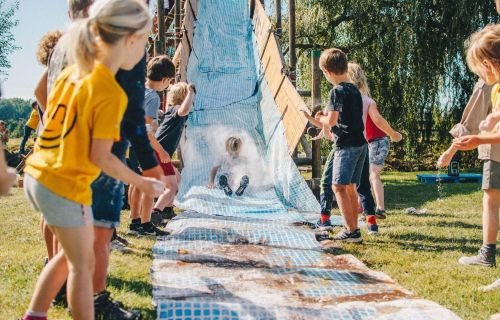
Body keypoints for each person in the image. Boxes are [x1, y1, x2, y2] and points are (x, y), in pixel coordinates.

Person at [21, 1, 164, 320]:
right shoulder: (111, 92)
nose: (145, 50)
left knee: (66, 258)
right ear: (130, 40)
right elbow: (102, 158)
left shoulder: (75, 72)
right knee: (82, 266)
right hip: (64, 182)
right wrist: (141, 180)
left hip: (40, 175)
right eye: (145, 41)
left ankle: (34, 314)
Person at [445, 24, 500, 268]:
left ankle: (487, 254)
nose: (479, 75)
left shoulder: (493, 85)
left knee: (491, 200)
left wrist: (479, 139)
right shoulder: (496, 88)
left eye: (480, 68)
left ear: (490, 64)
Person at [314, 48, 367, 242]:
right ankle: (352, 229)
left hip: (346, 146)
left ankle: (351, 231)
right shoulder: (354, 88)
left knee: (338, 186)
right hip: (360, 143)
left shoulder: (337, 91)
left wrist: (321, 119)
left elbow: (333, 120)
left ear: (327, 72)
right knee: (351, 187)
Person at [348, 62, 403, 221]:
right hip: (367, 143)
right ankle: (361, 206)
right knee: (363, 176)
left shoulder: (365, 101)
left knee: (373, 175)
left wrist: (393, 134)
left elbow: (378, 121)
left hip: (378, 141)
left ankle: (380, 207)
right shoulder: (354, 100)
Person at [127, 55, 175, 237]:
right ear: (164, 79)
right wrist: (160, 150)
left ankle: (135, 221)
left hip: (130, 143)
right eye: (169, 82)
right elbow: (146, 128)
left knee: (136, 183)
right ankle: (146, 223)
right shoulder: (154, 97)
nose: (167, 86)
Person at [153, 81, 196, 221]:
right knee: (172, 187)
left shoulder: (172, 112)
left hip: (159, 153)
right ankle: (156, 212)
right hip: (158, 153)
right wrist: (191, 92)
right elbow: (184, 110)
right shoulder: (176, 110)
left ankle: (167, 209)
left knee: (177, 178)